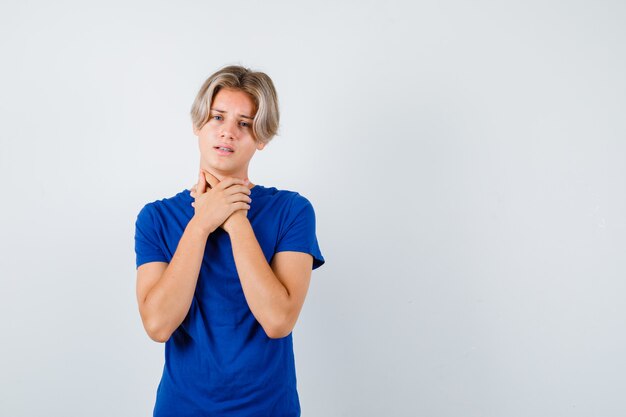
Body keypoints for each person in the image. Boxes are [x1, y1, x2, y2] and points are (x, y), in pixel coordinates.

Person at [133, 64, 325, 416]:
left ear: (262, 138)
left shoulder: (292, 211)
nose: (227, 133)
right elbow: (158, 324)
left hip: (268, 409)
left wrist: (235, 218)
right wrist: (201, 224)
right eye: (217, 117)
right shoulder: (156, 218)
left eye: (244, 123)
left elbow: (278, 320)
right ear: (198, 125)